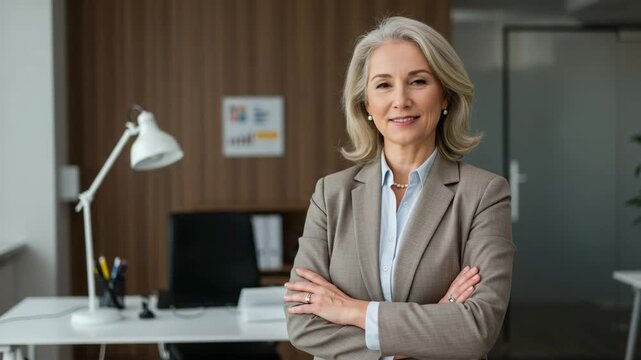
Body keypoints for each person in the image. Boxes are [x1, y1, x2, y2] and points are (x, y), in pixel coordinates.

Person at [284, 16, 514, 360]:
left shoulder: (484, 194)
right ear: (366, 105)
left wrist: (352, 311)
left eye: (418, 81)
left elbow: (476, 329)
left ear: (446, 95)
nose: (401, 99)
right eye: (383, 85)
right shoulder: (330, 196)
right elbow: (303, 325)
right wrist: (429, 329)